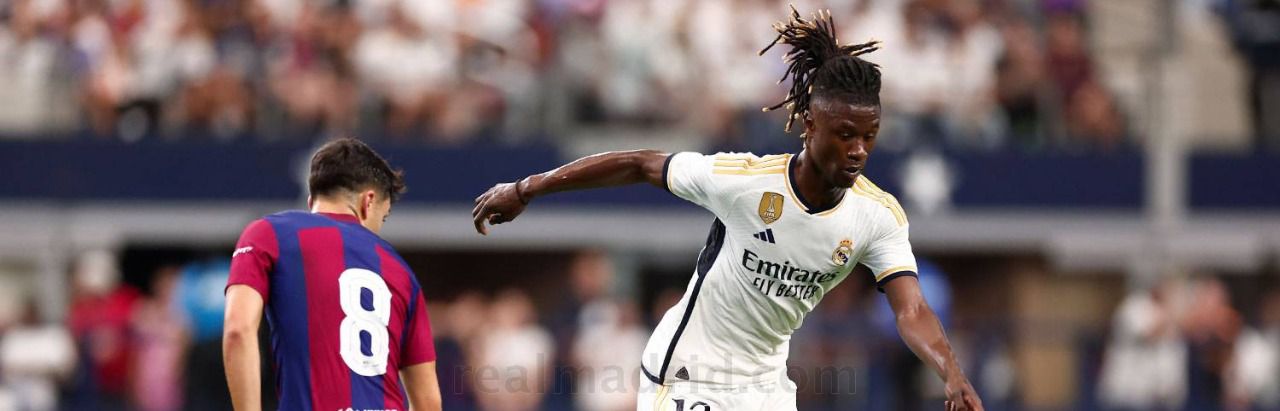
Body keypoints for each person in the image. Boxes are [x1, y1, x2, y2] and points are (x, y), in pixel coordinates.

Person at [472, 7, 981, 411]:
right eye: (845, 134)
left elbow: (912, 309)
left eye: (869, 136)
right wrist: (527, 188)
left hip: (765, 386)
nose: (858, 150)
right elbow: (639, 164)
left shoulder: (877, 216)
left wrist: (952, 373)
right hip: (687, 373)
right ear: (809, 125)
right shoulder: (745, 182)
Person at [223, 138, 442, 411]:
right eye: (383, 218)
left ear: (311, 201)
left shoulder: (268, 233)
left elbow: (238, 330)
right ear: (368, 202)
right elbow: (429, 402)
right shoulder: (401, 272)